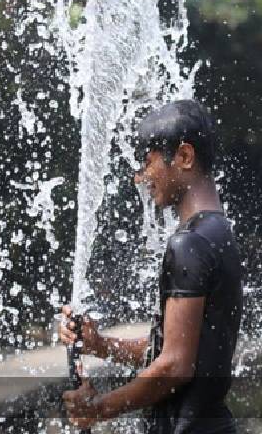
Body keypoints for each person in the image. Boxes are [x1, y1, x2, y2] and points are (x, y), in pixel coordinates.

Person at [59, 99, 244, 434]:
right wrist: (100, 345)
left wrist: (98, 408)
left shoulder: (189, 243)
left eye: (148, 163)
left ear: (184, 157)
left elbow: (174, 366)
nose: (140, 177)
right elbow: (177, 348)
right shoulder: (219, 232)